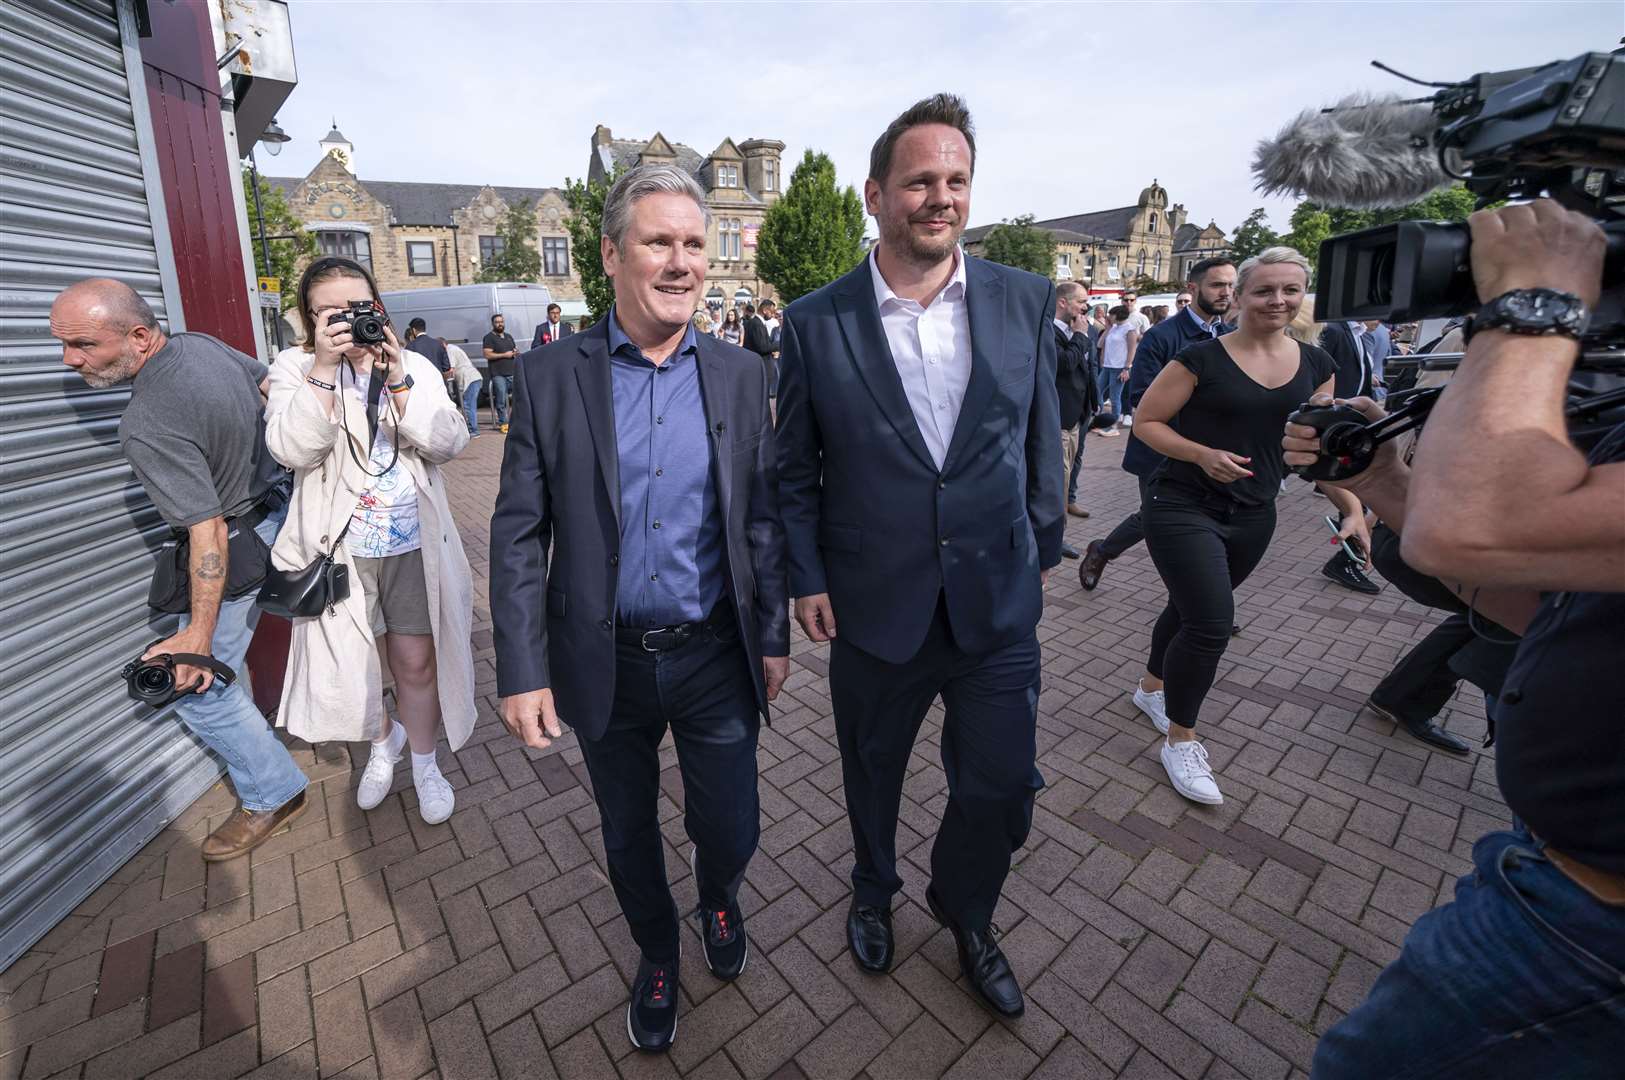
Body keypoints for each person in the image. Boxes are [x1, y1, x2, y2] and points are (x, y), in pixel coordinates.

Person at [1292, 199, 1623, 1080]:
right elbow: (1542, 599)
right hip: (1556, 864)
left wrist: (1534, 304)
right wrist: (1388, 484)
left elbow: (1474, 524)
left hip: (1591, 923)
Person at [490, 164, 789, 1054]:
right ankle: (658, 951)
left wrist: (769, 633)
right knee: (626, 831)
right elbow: (515, 534)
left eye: (694, 244)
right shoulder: (550, 376)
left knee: (729, 823)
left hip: (713, 654)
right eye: (660, 241)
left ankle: (720, 895)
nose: (681, 262)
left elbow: (760, 518)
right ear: (612, 253)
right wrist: (522, 670)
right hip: (603, 659)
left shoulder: (741, 374)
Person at [776, 93, 1063, 1019]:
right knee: (873, 770)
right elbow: (792, 467)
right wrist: (807, 576)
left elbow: (1038, 434)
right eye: (919, 181)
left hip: (994, 602)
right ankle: (872, 885)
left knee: (1003, 784)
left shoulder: (1023, 298)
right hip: (872, 601)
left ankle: (964, 906)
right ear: (875, 194)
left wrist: (1041, 541)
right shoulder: (818, 321)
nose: (939, 197)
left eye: (955, 180)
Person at [52, 278, 307, 861]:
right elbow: (270, 385)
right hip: (280, 514)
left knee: (193, 684)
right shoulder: (201, 344)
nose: (70, 361)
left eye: (84, 345)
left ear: (139, 337)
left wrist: (194, 636)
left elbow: (207, 531)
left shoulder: (146, 422)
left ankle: (274, 793)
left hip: (240, 541)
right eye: (63, 345)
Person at [1129, 247, 1367, 805]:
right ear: (1238, 297)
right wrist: (1198, 453)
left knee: (1189, 610)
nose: (1277, 300)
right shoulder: (1199, 359)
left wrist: (1350, 506)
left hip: (1256, 512)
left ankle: (1151, 687)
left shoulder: (1316, 366)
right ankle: (1180, 739)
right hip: (1182, 502)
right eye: (1264, 290)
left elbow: (1312, 455)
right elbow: (1146, 422)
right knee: (1211, 622)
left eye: (1290, 290)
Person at [264, 257, 476, 825]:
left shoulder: (409, 364)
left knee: (415, 663)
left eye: (358, 308)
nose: (347, 322)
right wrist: (324, 372)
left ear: (377, 307)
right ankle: (385, 743)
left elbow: (448, 441)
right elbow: (292, 450)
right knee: (352, 668)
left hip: (410, 542)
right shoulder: (293, 367)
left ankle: (427, 765)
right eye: (330, 312)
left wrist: (400, 376)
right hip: (338, 551)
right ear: (310, 320)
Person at [1079, 257, 1236, 590]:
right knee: (1157, 519)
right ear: (1192, 289)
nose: (1227, 292)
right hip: (1163, 451)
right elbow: (1141, 396)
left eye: (1232, 285)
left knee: (1203, 523)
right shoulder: (1163, 336)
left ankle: (1208, 600)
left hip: (1211, 450)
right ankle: (1103, 551)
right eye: (1218, 285)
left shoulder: (1231, 336)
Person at [1314, 318, 1384, 595]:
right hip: (1330, 432)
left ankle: (1347, 559)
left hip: (1347, 431)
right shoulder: (1333, 331)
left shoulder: (1363, 335)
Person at [1054, 281, 1095, 549]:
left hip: (1077, 418)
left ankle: (1064, 518)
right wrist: (1080, 336)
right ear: (1063, 302)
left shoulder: (1077, 331)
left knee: (1070, 475)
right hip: (1058, 421)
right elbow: (1064, 365)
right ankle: (1055, 539)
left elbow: (1087, 369)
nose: (1085, 307)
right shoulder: (1048, 332)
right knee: (1059, 479)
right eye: (1081, 301)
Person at [1093, 305, 1138, 436]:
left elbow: (1132, 350)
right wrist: (1107, 329)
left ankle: (1113, 426)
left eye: (1111, 314)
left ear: (1117, 315)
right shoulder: (1113, 328)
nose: (1109, 317)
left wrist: (1126, 368)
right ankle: (1100, 420)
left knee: (1115, 397)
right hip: (1108, 366)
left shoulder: (1130, 330)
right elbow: (1099, 344)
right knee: (1097, 391)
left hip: (1119, 367)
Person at [482, 313, 518, 434]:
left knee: (520, 396)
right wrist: (504, 355)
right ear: (493, 324)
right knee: (501, 398)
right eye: (497, 322)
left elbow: (513, 350)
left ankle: (518, 421)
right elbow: (487, 354)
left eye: (501, 321)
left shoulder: (508, 336)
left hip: (512, 372)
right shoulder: (489, 338)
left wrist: (515, 352)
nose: (500, 324)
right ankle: (504, 423)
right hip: (498, 374)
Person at [403, 317, 454, 398]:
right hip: (439, 387)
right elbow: (447, 368)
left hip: (421, 389)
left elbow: (406, 369)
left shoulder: (410, 346)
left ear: (413, 330)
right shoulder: (439, 344)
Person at [445, 337, 482, 437]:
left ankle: (473, 430)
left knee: (468, 406)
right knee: (470, 405)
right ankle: (472, 429)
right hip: (474, 377)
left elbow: (451, 370)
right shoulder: (454, 348)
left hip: (469, 379)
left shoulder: (449, 350)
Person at [744, 298, 779, 394]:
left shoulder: (756, 323)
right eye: (772, 312)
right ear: (764, 310)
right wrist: (779, 344)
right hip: (761, 367)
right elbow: (762, 347)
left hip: (760, 366)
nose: (773, 315)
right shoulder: (756, 324)